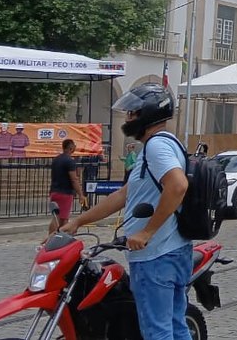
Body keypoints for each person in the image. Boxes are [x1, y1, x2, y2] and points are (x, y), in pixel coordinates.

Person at [62, 83, 193, 340]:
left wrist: (147, 232)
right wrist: (79, 220)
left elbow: (178, 185)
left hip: (155, 256)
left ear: (148, 114)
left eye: (132, 113)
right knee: (176, 327)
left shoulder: (157, 147)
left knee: (158, 332)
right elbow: (123, 195)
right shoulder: (162, 145)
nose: (128, 118)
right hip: (173, 252)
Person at [48, 139, 89, 235]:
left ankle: (54, 238)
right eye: (74, 146)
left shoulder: (56, 159)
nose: (75, 147)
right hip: (65, 193)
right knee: (63, 218)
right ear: (71, 148)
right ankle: (56, 238)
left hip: (54, 191)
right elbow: (74, 179)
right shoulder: (69, 161)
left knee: (56, 216)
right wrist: (81, 194)